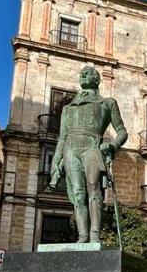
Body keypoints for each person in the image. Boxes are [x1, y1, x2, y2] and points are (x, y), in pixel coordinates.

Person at [49, 65, 127, 243]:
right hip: (70, 149)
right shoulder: (68, 108)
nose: (83, 74)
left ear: (97, 79)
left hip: (92, 146)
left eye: (88, 73)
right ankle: (82, 236)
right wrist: (55, 160)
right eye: (81, 73)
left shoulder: (108, 103)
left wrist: (113, 146)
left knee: (94, 189)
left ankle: (94, 235)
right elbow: (62, 137)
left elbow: (122, 131)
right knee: (77, 194)